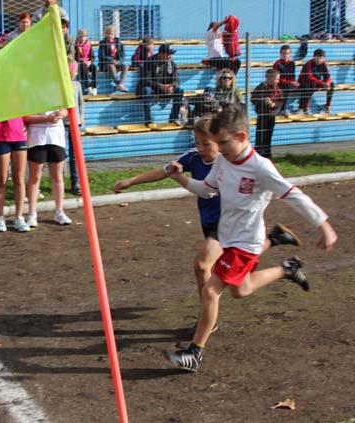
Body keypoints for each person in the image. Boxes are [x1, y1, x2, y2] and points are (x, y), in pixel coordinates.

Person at [163, 107, 338, 372]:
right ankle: (287, 269)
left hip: (245, 242)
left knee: (211, 290)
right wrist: (179, 177)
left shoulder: (260, 168)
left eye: (224, 142)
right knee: (240, 290)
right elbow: (206, 191)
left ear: (242, 136)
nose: (219, 149)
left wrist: (323, 224)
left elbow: (293, 195)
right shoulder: (223, 160)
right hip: (228, 236)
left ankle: (194, 353)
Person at [113, 116, 300, 329]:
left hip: (228, 223)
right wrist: (131, 181)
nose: (200, 147)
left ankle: (205, 321)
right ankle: (281, 255)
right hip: (211, 223)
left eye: (206, 143)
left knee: (202, 265)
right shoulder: (193, 158)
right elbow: (165, 171)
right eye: (197, 142)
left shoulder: (232, 161)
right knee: (240, 287)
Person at [24, 109, 73, 227]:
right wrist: (46, 118)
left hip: (56, 136)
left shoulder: (58, 91)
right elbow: (25, 116)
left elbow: (67, 109)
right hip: (37, 137)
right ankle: (31, 213)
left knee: (57, 176)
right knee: (35, 177)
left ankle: (59, 211)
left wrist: (62, 113)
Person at [0, 117, 30, 233]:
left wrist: (27, 126)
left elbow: (27, 112)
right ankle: (0, 217)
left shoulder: (19, 98)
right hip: (1, 136)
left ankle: (19, 217)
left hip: (19, 136)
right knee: (1, 179)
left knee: (19, 178)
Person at [138, 44, 184, 124]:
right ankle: (148, 120)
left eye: (171, 54)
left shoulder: (172, 64)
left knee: (179, 91)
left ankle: (174, 118)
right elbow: (145, 80)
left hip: (165, 89)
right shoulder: (149, 62)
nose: (170, 56)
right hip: (153, 88)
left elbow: (177, 80)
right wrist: (161, 86)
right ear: (161, 54)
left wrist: (172, 86)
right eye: (168, 54)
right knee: (146, 90)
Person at [252, 68, 283, 159]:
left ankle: (267, 153)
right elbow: (253, 99)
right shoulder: (260, 87)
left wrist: (275, 104)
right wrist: (263, 100)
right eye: (276, 79)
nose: (277, 81)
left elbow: (281, 101)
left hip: (271, 115)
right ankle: (258, 153)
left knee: (269, 134)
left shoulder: (278, 89)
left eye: (278, 79)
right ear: (268, 78)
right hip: (262, 115)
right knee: (260, 135)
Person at [65, 60, 85, 196]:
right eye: (72, 71)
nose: (74, 74)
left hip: (75, 123)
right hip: (62, 123)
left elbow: (81, 102)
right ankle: (59, 181)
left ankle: (75, 182)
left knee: (74, 155)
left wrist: (81, 117)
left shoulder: (77, 85)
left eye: (75, 72)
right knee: (60, 155)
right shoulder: (61, 85)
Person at [298, 48, 334, 114]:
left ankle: (327, 106)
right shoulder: (309, 64)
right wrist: (322, 83)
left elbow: (328, 75)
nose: (319, 60)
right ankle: (304, 107)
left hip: (317, 82)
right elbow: (309, 77)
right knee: (311, 85)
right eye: (318, 58)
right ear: (314, 57)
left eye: (321, 58)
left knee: (332, 84)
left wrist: (327, 83)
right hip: (304, 82)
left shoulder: (323, 64)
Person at [98, 26, 129, 92]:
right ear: (105, 34)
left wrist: (118, 61)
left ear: (114, 34)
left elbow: (122, 55)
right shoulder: (102, 43)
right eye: (108, 34)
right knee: (111, 66)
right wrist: (111, 60)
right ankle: (117, 82)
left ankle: (120, 83)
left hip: (117, 63)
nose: (109, 35)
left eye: (111, 34)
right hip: (106, 64)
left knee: (126, 66)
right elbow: (102, 56)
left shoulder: (119, 43)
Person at [273, 44, 299, 116]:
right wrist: (290, 82)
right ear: (280, 53)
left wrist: (294, 83)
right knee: (285, 87)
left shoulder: (292, 63)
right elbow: (277, 78)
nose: (285, 55)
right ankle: (283, 109)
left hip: (288, 83)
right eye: (283, 53)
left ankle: (302, 108)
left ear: (290, 54)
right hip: (278, 83)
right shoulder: (277, 64)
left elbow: (292, 76)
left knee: (304, 86)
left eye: (287, 53)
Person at [75, 28, 97, 95]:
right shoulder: (76, 45)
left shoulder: (89, 45)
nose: (83, 38)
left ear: (86, 37)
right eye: (81, 37)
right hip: (81, 63)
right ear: (78, 37)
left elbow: (92, 56)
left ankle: (94, 87)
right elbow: (75, 56)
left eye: (84, 37)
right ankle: (88, 87)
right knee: (83, 67)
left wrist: (90, 62)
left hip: (88, 62)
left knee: (94, 67)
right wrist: (83, 61)